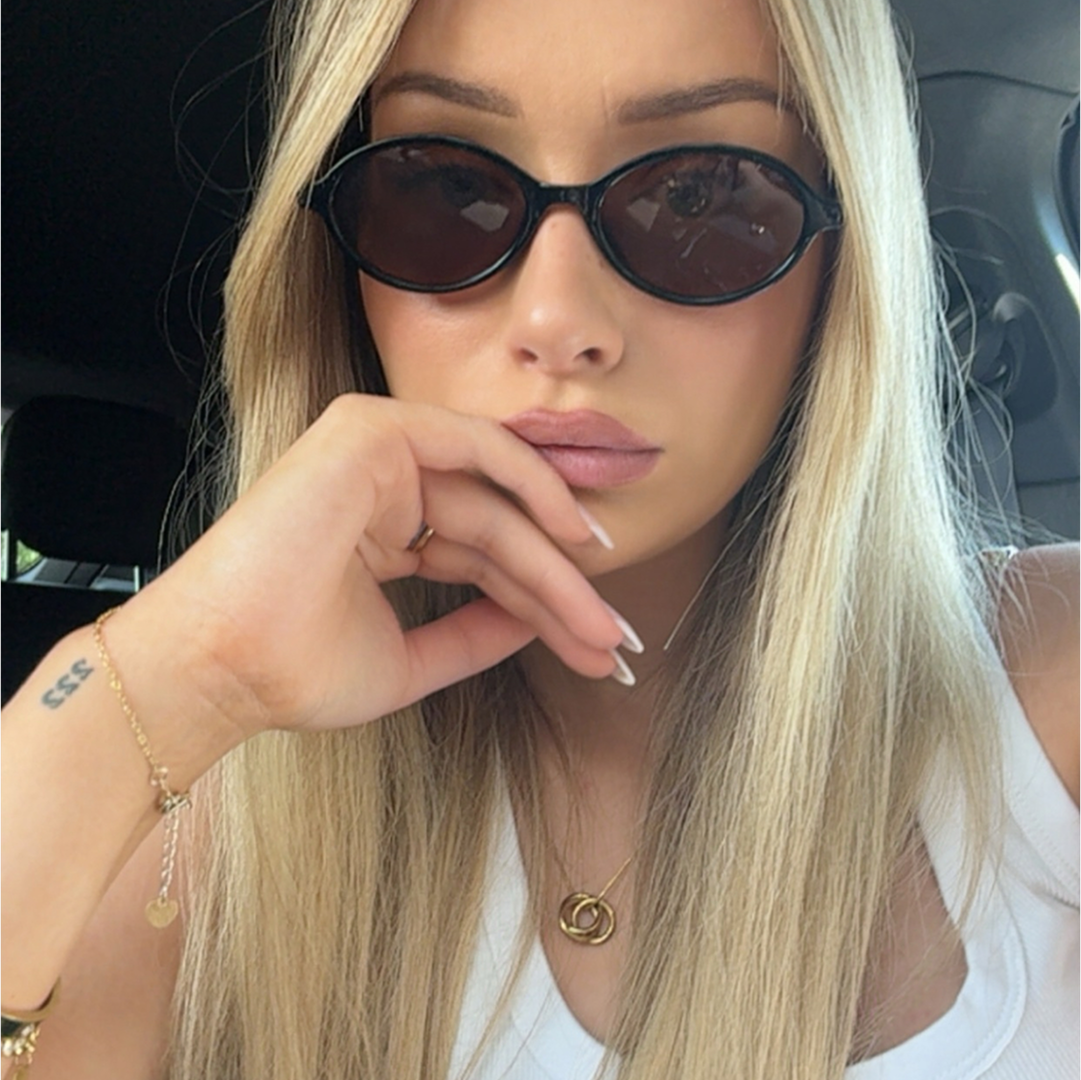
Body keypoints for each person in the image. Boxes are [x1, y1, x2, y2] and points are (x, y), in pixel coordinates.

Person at [1, 0, 1078, 1076]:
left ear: (844, 253)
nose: (557, 322)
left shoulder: (1050, 699)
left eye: (698, 194)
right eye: (447, 187)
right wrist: (163, 681)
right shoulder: (194, 838)